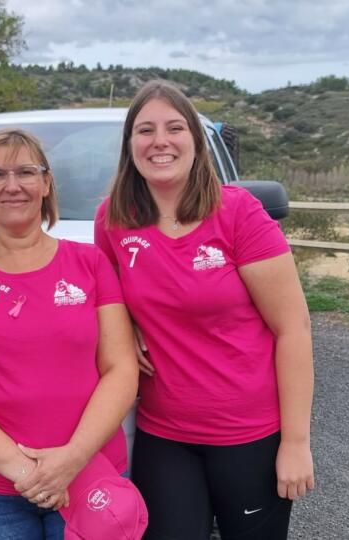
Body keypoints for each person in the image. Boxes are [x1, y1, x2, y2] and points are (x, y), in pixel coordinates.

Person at [94, 80, 316, 540]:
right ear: (129, 144)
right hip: (164, 432)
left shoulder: (238, 213)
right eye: (145, 130)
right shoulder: (112, 220)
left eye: (175, 127)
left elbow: (292, 328)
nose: (160, 141)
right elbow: (107, 300)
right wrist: (127, 326)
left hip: (250, 433)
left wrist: (296, 442)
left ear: (195, 141)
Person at [0, 128, 139, 539]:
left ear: (46, 182)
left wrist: (71, 461)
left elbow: (121, 370)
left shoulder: (90, 264)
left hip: (89, 474)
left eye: (25, 171)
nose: (13, 185)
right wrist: (26, 471)